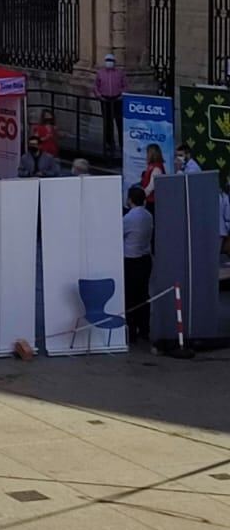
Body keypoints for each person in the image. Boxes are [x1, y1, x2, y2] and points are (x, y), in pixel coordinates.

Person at [122, 184, 154, 345]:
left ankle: (132, 331)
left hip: (131, 260)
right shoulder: (148, 215)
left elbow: (119, 234)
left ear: (130, 199)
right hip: (145, 259)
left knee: (130, 296)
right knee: (143, 294)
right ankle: (144, 328)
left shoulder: (128, 218)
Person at [94, 53, 128, 155]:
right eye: (107, 60)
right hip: (105, 99)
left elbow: (125, 85)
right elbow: (96, 86)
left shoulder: (119, 73)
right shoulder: (100, 73)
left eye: (111, 61)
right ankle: (109, 143)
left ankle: (123, 144)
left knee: (120, 122)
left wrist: (123, 94)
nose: (109, 63)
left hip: (117, 99)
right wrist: (99, 96)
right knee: (107, 123)